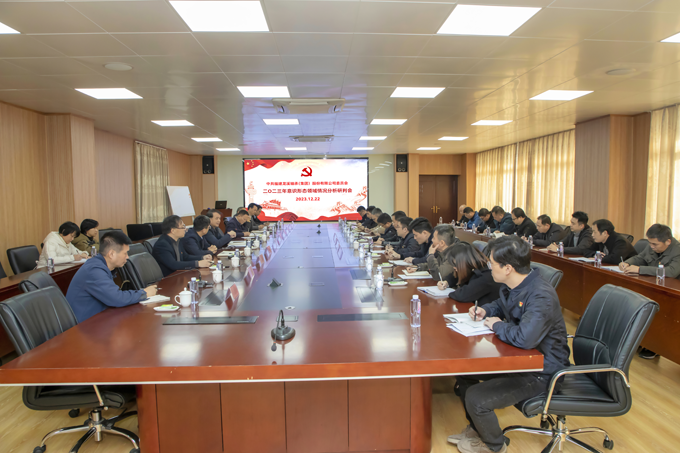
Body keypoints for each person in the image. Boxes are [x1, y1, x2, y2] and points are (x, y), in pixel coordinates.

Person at [448, 236, 570, 453]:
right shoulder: (515, 284)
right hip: (520, 360)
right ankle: (478, 429)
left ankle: (494, 445)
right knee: (465, 371)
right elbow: (501, 304)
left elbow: (525, 338)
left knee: (476, 398)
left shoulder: (540, 295)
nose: (488, 268)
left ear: (508, 268)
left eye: (491, 264)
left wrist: (497, 325)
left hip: (541, 371)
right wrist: (486, 310)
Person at [66, 231, 157, 323]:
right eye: (125, 253)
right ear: (111, 254)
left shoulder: (100, 265)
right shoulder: (94, 270)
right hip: (85, 325)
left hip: (99, 318)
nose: (127, 257)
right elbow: (117, 298)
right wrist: (144, 293)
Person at [620, 223, 680, 359]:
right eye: (650, 243)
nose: (651, 246)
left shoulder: (678, 251)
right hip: (652, 285)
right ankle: (641, 339)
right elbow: (640, 258)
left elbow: (671, 272)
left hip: (670, 293)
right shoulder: (652, 245)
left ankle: (655, 345)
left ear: (668, 241)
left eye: (655, 244)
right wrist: (627, 263)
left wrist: (640, 269)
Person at [437, 242, 505, 305]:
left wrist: (448, 293)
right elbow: (455, 276)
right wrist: (446, 282)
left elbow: (462, 295)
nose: (454, 268)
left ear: (464, 263)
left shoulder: (485, 276)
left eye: (455, 265)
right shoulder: (474, 266)